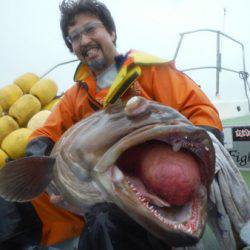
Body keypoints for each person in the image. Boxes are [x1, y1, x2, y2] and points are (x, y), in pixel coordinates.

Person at [1, 0, 223, 249]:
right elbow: (47, 131)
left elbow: (200, 110)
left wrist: (205, 149)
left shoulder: (153, 72)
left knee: (106, 221)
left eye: (90, 29)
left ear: (112, 32)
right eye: (74, 37)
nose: (84, 41)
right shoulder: (75, 95)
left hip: (144, 192)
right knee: (10, 201)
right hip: (98, 187)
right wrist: (40, 160)